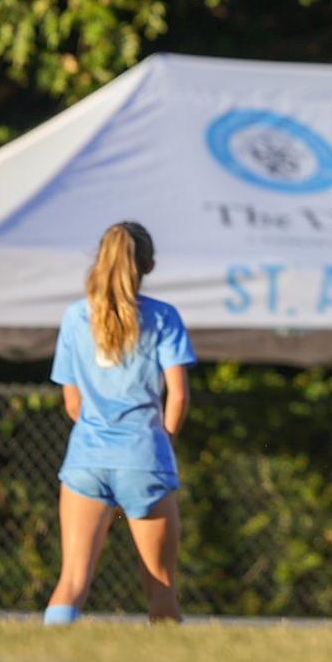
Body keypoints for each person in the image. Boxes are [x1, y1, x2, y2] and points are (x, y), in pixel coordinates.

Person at [44, 221, 196, 626]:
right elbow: (178, 396)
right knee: (160, 587)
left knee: (72, 581)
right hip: (143, 457)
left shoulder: (75, 317)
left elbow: (72, 402)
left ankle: (48, 654)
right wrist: (160, 442)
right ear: (148, 265)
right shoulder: (163, 317)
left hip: (86, 459)